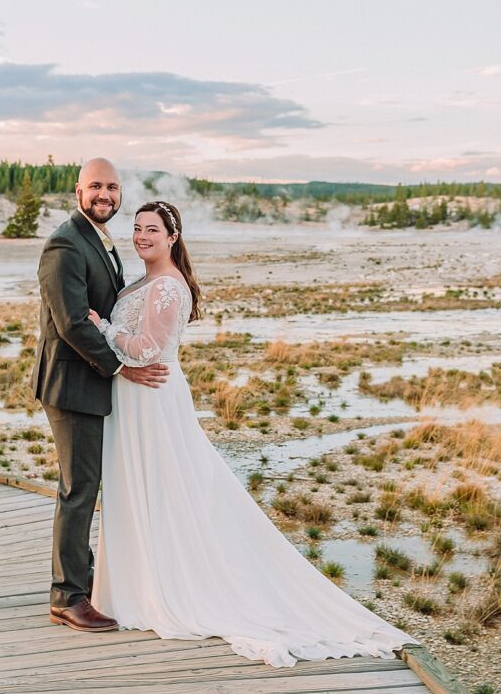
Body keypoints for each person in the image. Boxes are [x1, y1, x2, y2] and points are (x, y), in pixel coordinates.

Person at [88, 201, 414, 667]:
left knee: (168, 488)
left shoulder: (167, 287)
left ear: (173, 238)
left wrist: (105, 329)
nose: (141, 237)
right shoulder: (144, 280)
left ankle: (169, 584)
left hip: (152, 398)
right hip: (134, 399)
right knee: (145, 489)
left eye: (152, 230)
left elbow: (148, 349)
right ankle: (137, 583)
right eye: (137, 229)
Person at [31, 159, 168, 633]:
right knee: (79, 489)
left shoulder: (101, 241)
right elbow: (70, 323)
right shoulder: (66, 244)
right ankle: (67, 597)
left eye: (111, 186)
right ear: (78, 190)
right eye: (95, 186)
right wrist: (121, 366)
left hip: (90, 382)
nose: (104, 194)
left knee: (86, 485)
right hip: (71, 385)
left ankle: (82, 582)